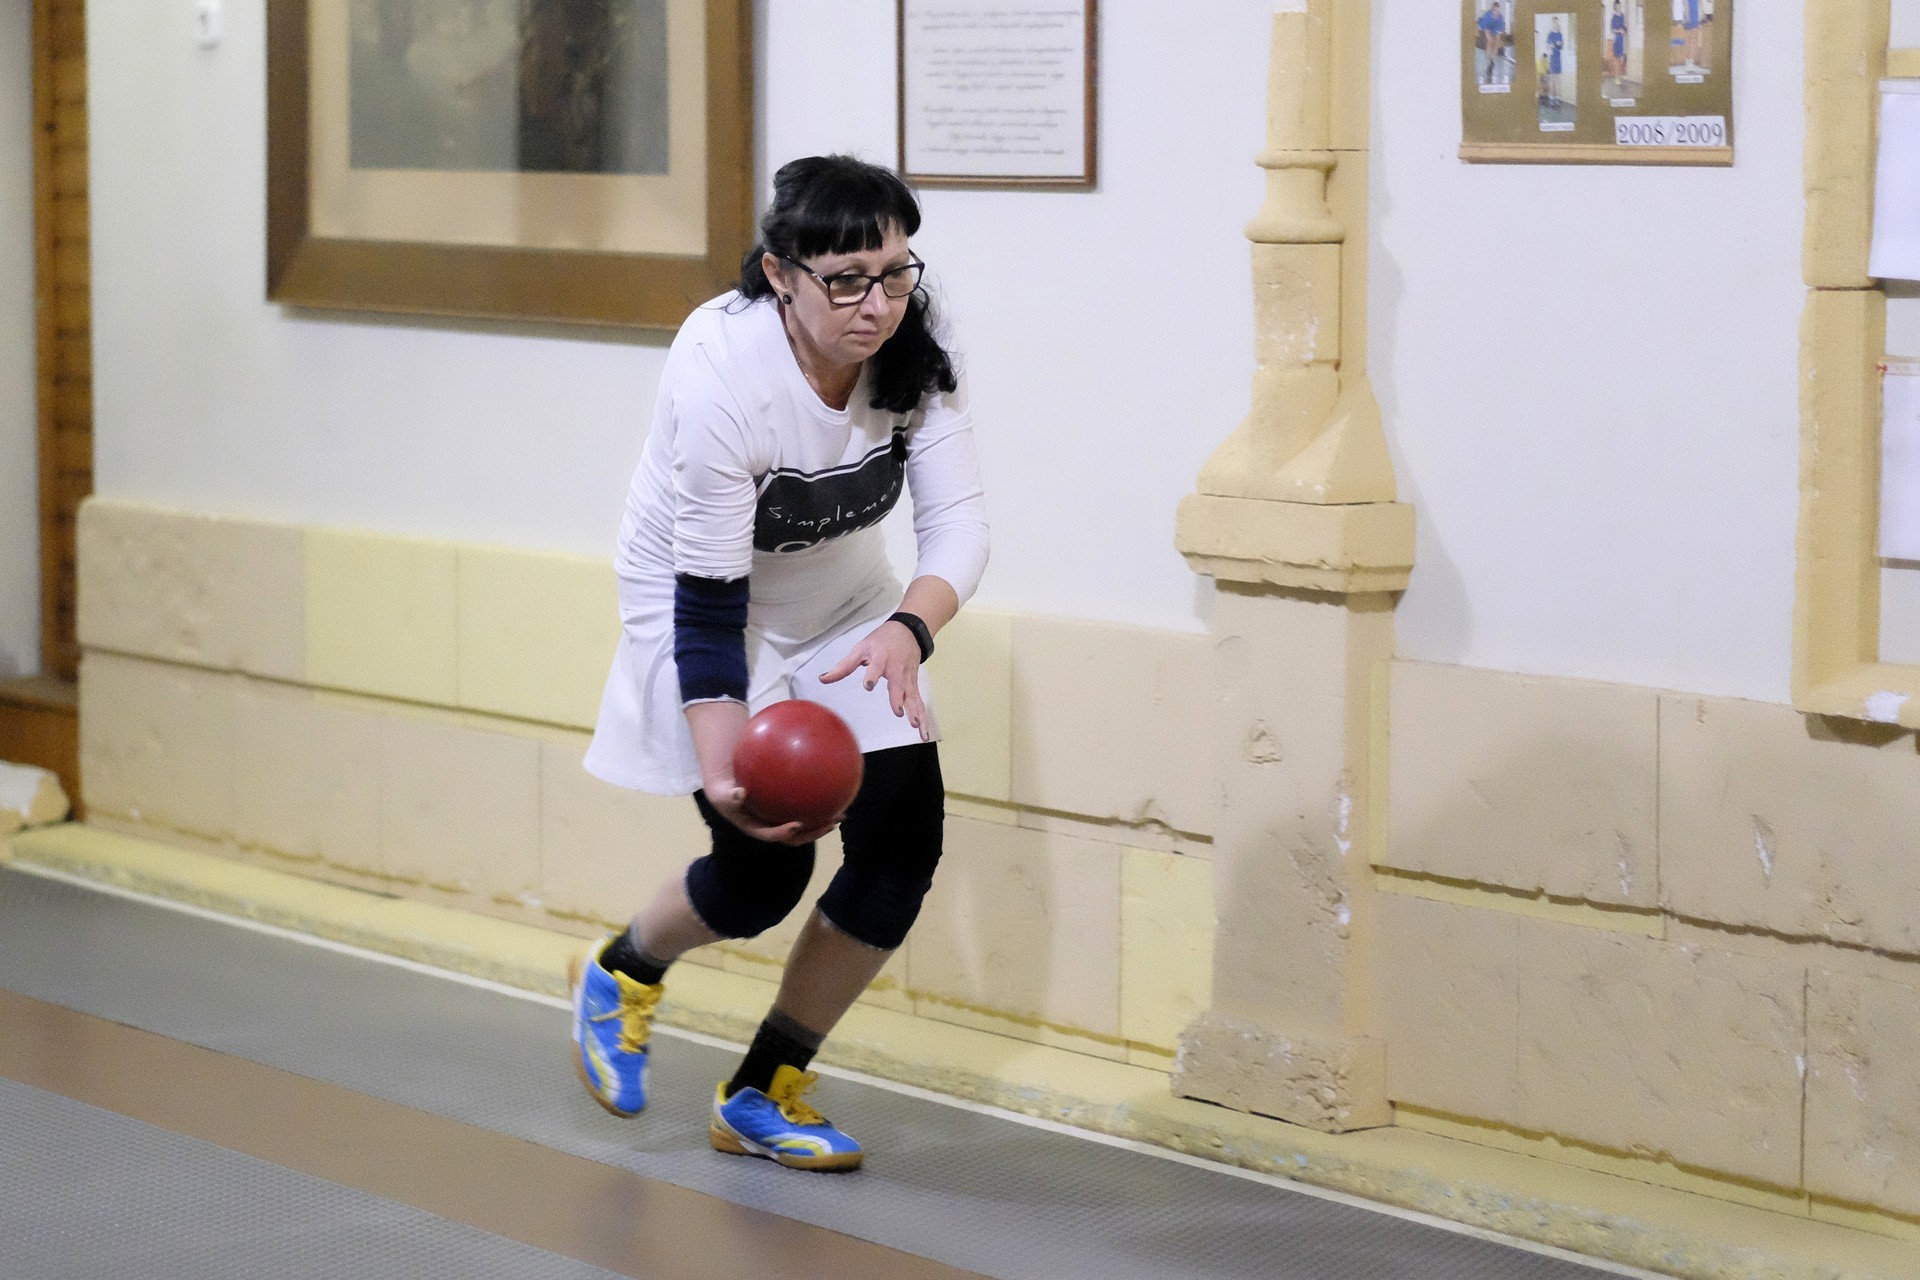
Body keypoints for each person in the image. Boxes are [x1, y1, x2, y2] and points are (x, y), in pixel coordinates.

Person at [570, 155, 990, 1172]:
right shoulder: (723, 375)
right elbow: (712, 603)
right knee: (764, 874)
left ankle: (762, 1088)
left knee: (902, 847)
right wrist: (722, 765)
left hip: (845, 601)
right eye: (845, 280)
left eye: (894, 273)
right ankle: (624, 969)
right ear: (780, 274)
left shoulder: (913, 350)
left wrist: (909, 629)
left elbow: (960, 526)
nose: (876, 303)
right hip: (707, 606)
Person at [1477, 1, 1508, 84]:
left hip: (1495, 30)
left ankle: (1492, 60)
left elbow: (1498, 35)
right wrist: (1489, 38)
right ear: (1492, 10)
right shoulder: (1487, 16)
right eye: (1495, 11)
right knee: (1489, 42)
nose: (1496, 13)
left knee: (1496, 44)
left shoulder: (1500, 18)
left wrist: (1496, 48)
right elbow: (1485, 30)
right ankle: (1489, 61)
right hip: (1486, 28)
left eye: (1498, 11)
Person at [1547, 18, 1567, 107]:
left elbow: (1562, 46)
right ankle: (1551, 99)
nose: (1556, 24)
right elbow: (1549, 46)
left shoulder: (1560, 34)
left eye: (1557, 22)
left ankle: (1557, 99)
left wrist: (1561, 44)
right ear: (1552, 23)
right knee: (1552, 80)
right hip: (1552, 59)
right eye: (1554, 22)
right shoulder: (1550, 34)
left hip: (1558, 59)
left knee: (1558, 80)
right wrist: (1555, 44)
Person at [1609, 1, 1628, 81]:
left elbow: (1624, 26)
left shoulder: (1622, 16)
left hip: (1623, 39)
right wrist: (1618, 31)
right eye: (1617, 6)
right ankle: (1617, 77)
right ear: (1615, 7)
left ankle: (1620, 75)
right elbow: (1612, 29)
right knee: (1616, 58)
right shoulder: (1614, 17)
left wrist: (1624, 31)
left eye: (1619, 6)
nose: (1618, 7)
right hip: (1616, 39)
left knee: (1622, 58)